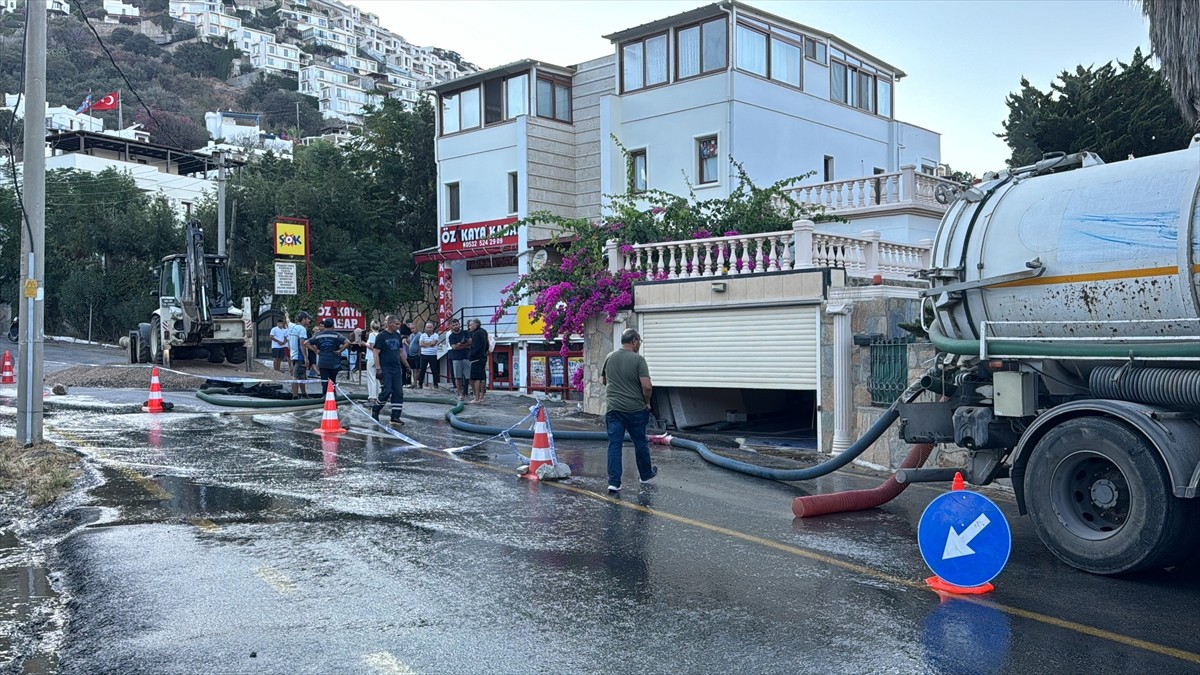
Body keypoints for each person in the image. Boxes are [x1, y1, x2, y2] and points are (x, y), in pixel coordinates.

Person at [600, 328, 657, 492]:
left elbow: (603, 380)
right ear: (634, 341)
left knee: (614, 445)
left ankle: (614, 482)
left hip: (613, 409)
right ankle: (645, 475)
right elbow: (647, 386)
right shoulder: (638, 360)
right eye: (639, 341)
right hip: (635, 409)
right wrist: (647, 403)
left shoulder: (610, 357)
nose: (639, 344)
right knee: (639, 442)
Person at [371, 315, 411, 426]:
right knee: (387, 391)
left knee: (398, 392)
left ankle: (395, 417)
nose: (399, 326)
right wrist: (378, 368)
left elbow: (400, 352)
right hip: (385, 368)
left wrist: (407, 366)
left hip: (397, 368)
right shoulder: (381, 336)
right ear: (390, 324)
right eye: (397, 324)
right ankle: (376, 409)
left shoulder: (398, 336)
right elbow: (376, 352)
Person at [305, 318, 349, 391]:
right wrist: (340, 350)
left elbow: (306, 343)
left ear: (324, 326)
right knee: (332, 382)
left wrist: (316, 350)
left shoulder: (318, 335)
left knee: (325, 382)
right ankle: (333, 398)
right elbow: (348, 342)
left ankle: (325, 398)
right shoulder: (337, 335)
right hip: (334, 363)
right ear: (333, 326)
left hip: (323, 362)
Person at [287, 311, 313, 399]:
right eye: (308, 319)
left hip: (293, 355)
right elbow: (302, 344)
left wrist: (287, 314)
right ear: (304, 319)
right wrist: (306, 358)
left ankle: (304, 394)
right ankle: (295, 397)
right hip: (299, 356)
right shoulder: (302, 329)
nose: (309, 321)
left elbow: (287, 321)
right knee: (296, 377)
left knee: (302, 376)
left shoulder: (292, 326)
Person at [447, 319, 471, 399]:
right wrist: (464, 345)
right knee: (458, 377)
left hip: (466, 357)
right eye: (453, 325)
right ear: (451, 326)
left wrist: (459, 345)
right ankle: (460, 393)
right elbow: (454, 347)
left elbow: (470, 341)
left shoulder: (465, 332)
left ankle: (471, 392)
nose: (455, 326)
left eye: (456, 324)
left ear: (459, 324)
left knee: (469, 376)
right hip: (456, 358)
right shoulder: (451, 336)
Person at [467, 319, 490, 404]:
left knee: (475, 378)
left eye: (470, 325)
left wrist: (471, 356)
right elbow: (487, 344)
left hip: (476, 358)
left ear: (475, 325)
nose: (469, 327)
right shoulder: (484, 331)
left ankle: (476, 397)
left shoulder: (476, 334)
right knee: (482, 377)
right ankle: (482, 397)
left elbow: (475, 348)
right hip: (483, 357)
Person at [417, 321, 441, 389]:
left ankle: (436, 384)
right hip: (424, 355)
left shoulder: (436, 335)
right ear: (425, 328)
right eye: (427, 327)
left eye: (430, 327)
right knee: (422, 370)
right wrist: (429, 344)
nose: (429, 329)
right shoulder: (422, 335)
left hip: (433, 355)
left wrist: (425, 344)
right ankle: (420, 384)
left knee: (434, 370)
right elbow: (420, 344)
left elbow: (434, 343)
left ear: (433, 328)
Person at [364, 320, 381, 403]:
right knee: (377, 378)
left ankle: (372, 396)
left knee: (371, 377)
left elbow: (372, 347)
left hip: (371, 357)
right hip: (378, 358)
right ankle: (378, 395)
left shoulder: (371, 334)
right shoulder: (380, 335)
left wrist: (365, 344)